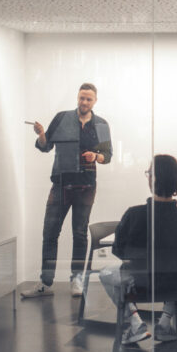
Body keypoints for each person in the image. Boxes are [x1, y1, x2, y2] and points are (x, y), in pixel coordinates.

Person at [98, 154, 177, 344]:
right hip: (173, 286)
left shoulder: (133, 215)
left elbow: (118, 250)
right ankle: (165, 322)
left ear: (151, 179)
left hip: (138, 285)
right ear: (176, 182)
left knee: (105, 273)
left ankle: (136, 322)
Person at [21, 83, 112, 298]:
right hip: (61, 184)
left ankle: (76, 279)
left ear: (95, 101)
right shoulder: (61, 118)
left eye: (89, 99)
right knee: (50, 232)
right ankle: (45, 283)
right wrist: (42, 134)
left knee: (80, 234)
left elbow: (107, 156)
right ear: (77, 98)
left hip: (86, 186)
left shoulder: (101, 124)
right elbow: (45, 146)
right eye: (82, 98)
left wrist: (95, 156)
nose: (84, 102)